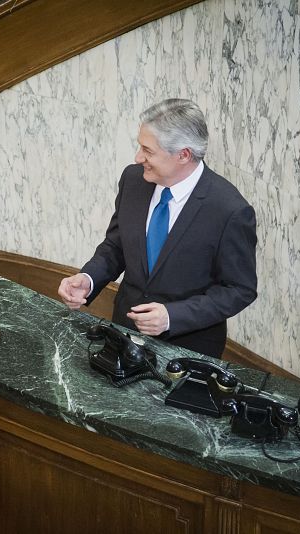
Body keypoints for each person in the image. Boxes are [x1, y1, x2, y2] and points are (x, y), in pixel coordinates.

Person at [58, 99, 257, 358]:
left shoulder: (230, 210)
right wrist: (88, 279)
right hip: (124, 333)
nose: (138, 158)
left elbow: (239, 289)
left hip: (188, 350)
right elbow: (117, 245)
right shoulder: (133, 180)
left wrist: (172, 316)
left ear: (183, 155)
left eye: (147, 151)